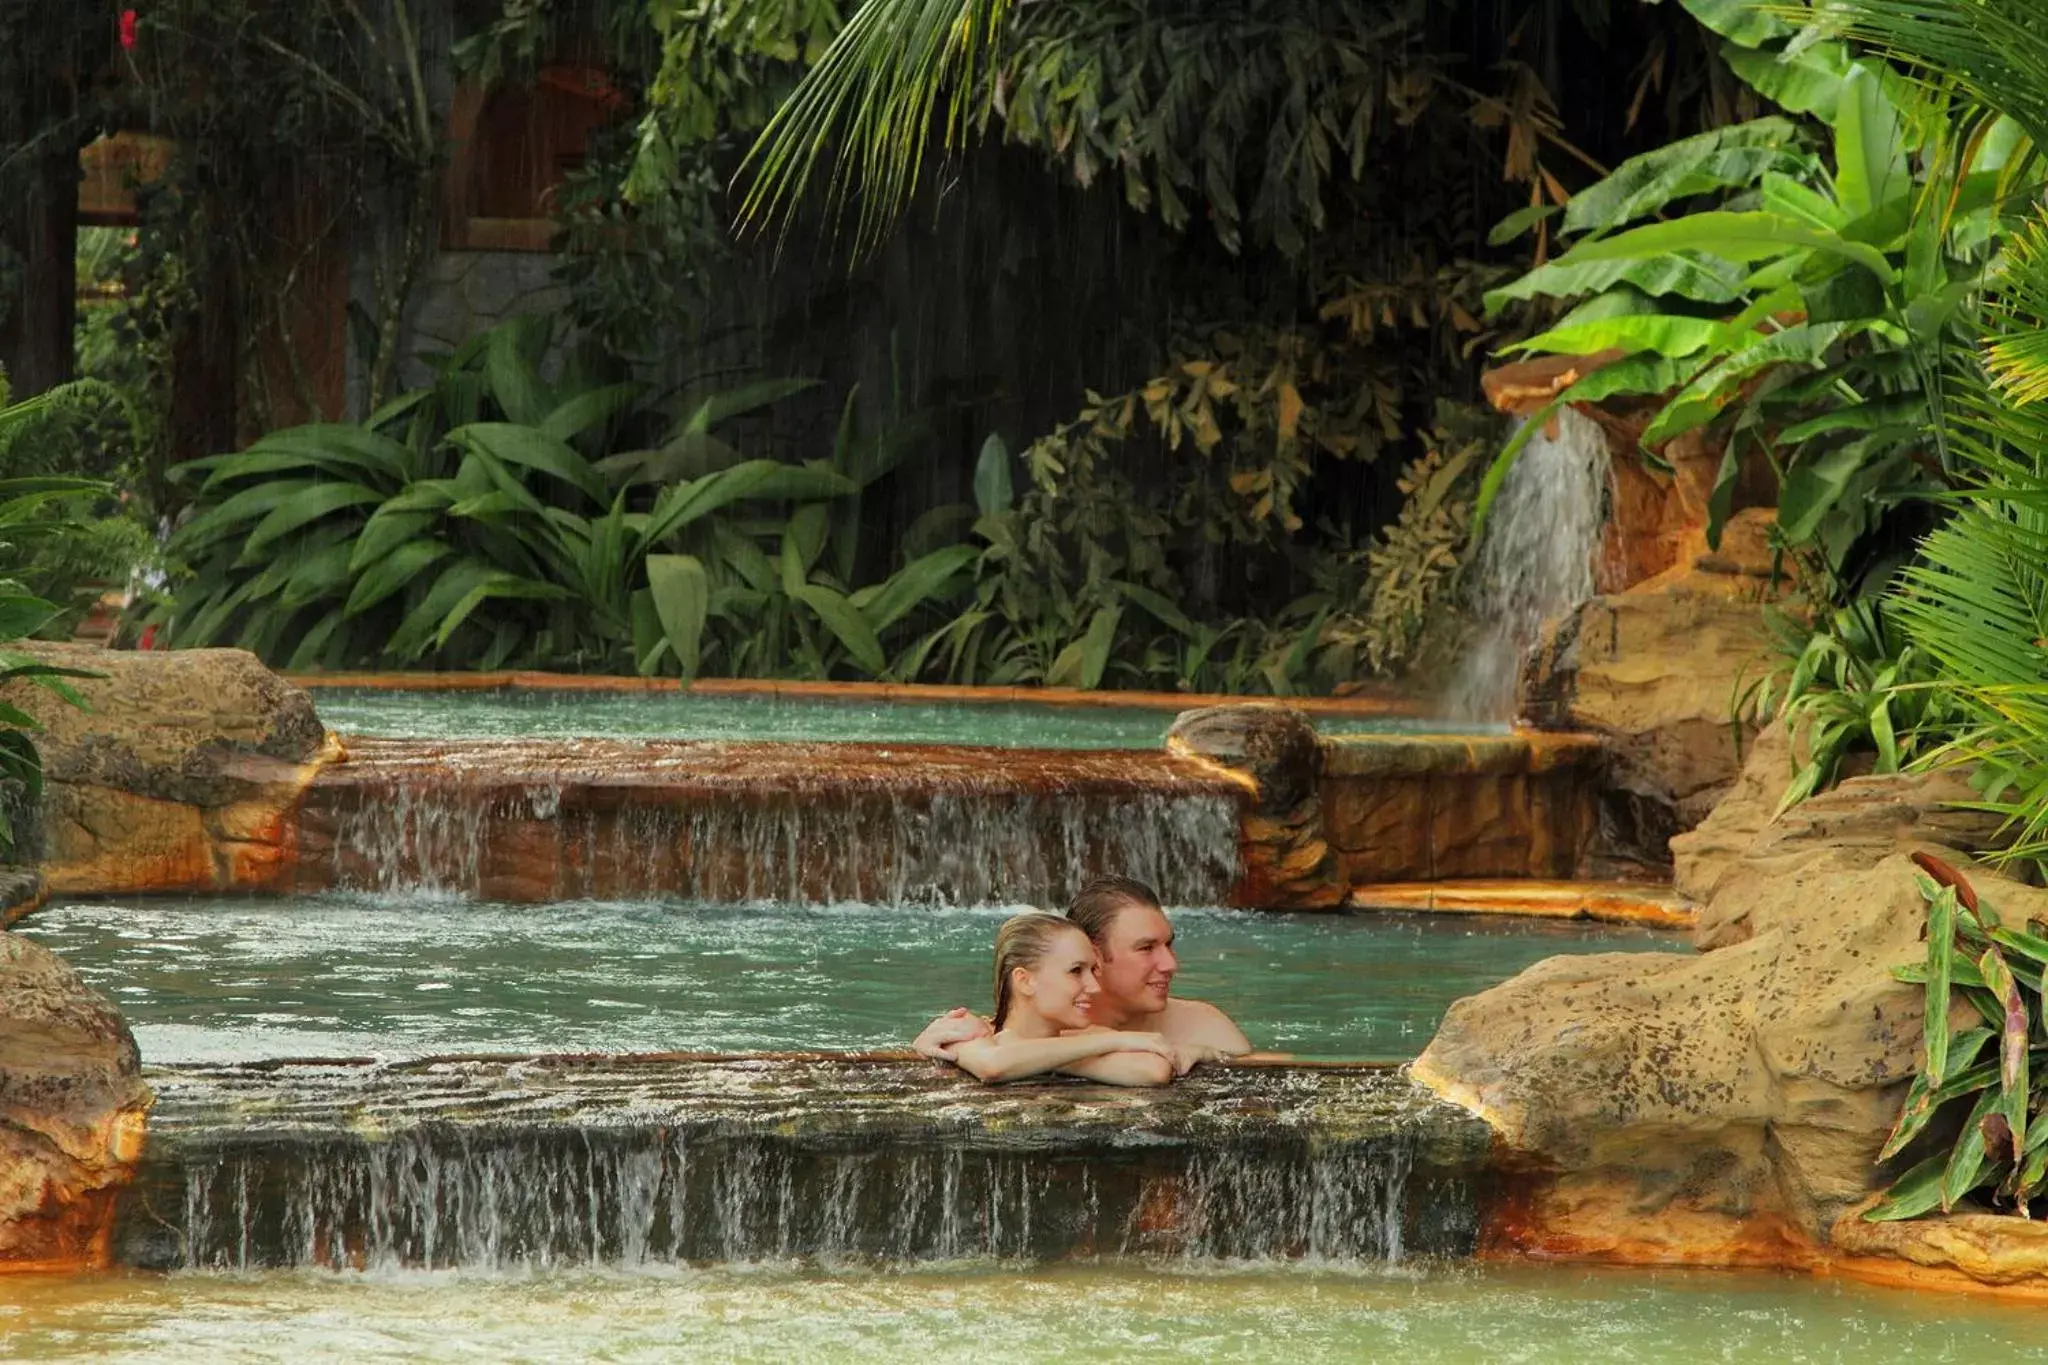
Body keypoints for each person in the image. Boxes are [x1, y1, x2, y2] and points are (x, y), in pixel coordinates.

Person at [914, 875, 1253, 1065]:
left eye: (1169, 945)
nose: (1170, 964)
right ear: (1092, 954)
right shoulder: (1005, 1031)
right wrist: (924, 1045)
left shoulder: (1203, 1025)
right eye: (1146, 948)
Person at [944, 912, 1189, 1086]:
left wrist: (1047, 1058)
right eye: (1075, 971)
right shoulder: (970, 1029)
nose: (1093, 987)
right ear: (1025, 981)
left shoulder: (1087, 1038)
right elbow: (992, 1065)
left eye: (1092, 970)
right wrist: (1117, 1041)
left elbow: (1154, 1070)